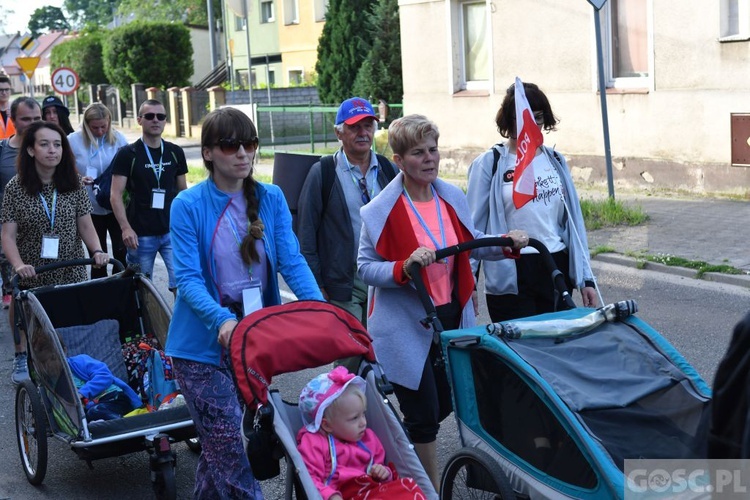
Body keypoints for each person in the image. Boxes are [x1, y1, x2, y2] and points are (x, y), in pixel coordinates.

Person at [357, 114, 528, 489]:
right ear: (399, 161)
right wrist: (402, 267)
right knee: (424, 418)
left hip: (450, 316)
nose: (430, 158)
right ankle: (427, 492)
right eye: (418, 153)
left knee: (454, 401)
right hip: (406, 324)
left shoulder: (451, 196)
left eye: (433, 149)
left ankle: (405, 458)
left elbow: (472, 242)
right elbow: (366, 268)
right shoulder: (381, 211)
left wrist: (506, 242)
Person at [165, 106, 323, 498]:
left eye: (249, 144)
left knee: (219, 452)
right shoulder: (188, 205)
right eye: (230, 145)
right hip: (202, 347)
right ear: (207, 153)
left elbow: (291, 260)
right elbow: (186, 278)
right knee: (235, 452)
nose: (242, 153)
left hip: (253, 341)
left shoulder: (270, 197)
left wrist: (322, 309)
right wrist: (221, 320)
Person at [466, 81, 598, 323]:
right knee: (520, 353)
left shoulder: (555, 160)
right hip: (512, 271)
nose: (532, 124)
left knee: (559, 349)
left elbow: (574, 225)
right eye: (523, 117)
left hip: (554, 263)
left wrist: (586, 279)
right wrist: (469, 282)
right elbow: (472, 228)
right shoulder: (490, 163)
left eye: (538, 117)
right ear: (509, 119)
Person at [1, 121, 109, 384]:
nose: (52, 150)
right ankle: (21, 354)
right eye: (44, 144)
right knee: (28, 316)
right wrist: (17, 266)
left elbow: (85, 224)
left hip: (69, 266)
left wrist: (97, 250)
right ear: (30, 150)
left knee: (68, 321)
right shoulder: (16, 187)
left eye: (57, 144)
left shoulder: (72, 183)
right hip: (32, 269)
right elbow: (7, 235)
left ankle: (68, 368)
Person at [297, 97, 398, 327]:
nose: (363, 133)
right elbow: (306, 233)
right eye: (354, 127)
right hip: (344, 283)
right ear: (339, 133)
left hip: (382, 277)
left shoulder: (387, 169)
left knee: (383, 350)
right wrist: (316, 284)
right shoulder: (323, 173)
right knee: (351, 354)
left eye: (367, 125)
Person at [297, 366, 424, 499]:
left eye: (363, 414)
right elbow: (309, 478)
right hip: (341, 494)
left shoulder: (368, 438)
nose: (363, 422)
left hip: (374, 491)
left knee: (407, 486)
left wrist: (383, 472)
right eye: (354, 418)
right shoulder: (314, 442)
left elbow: (381, 469)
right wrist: (330, 496)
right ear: (327, 425)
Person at [110, 99, 188, 294]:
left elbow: (183, 193)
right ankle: (143, 325)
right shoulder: (128, 154)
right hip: (140, 234)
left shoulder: (175, 152)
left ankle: (179, 324)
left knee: (182, 284)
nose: (156, 120)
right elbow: (115, 195)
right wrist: (125, 228)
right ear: (139, 120)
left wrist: (187, 226)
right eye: (150, 116)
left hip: (171, 231)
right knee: (143, 289)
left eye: (160, 116)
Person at [69, 103, 129, 277]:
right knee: (97, 256)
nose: (100, 131)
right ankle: (99, 294)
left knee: (121, 254)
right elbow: (65, 166)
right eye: (95, 127)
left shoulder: (118, 138)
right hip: (89, 208)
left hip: (115, 205)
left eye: (104, 126)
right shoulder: (73, 140)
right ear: (86, 125)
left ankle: (120, 291)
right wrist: (79, 178)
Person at [0, 97, 42, 310]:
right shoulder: (2, 151)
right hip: (10, 230)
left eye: (37, 118)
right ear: (13, 120)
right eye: (26, 119)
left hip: (45, 231)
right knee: (19, 293)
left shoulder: (51, 148)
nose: (33, 123)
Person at [59, 334, 142, 421]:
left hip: (113, 397)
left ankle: (127, 424)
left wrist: (82, 393)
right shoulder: (54, 382)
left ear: (64, 351)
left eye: (53, 358)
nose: (49, 364)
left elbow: (105, 375)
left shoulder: (80, 361)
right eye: (44, 361)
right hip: (93, 409)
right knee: (88, 417)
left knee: (95, 411)